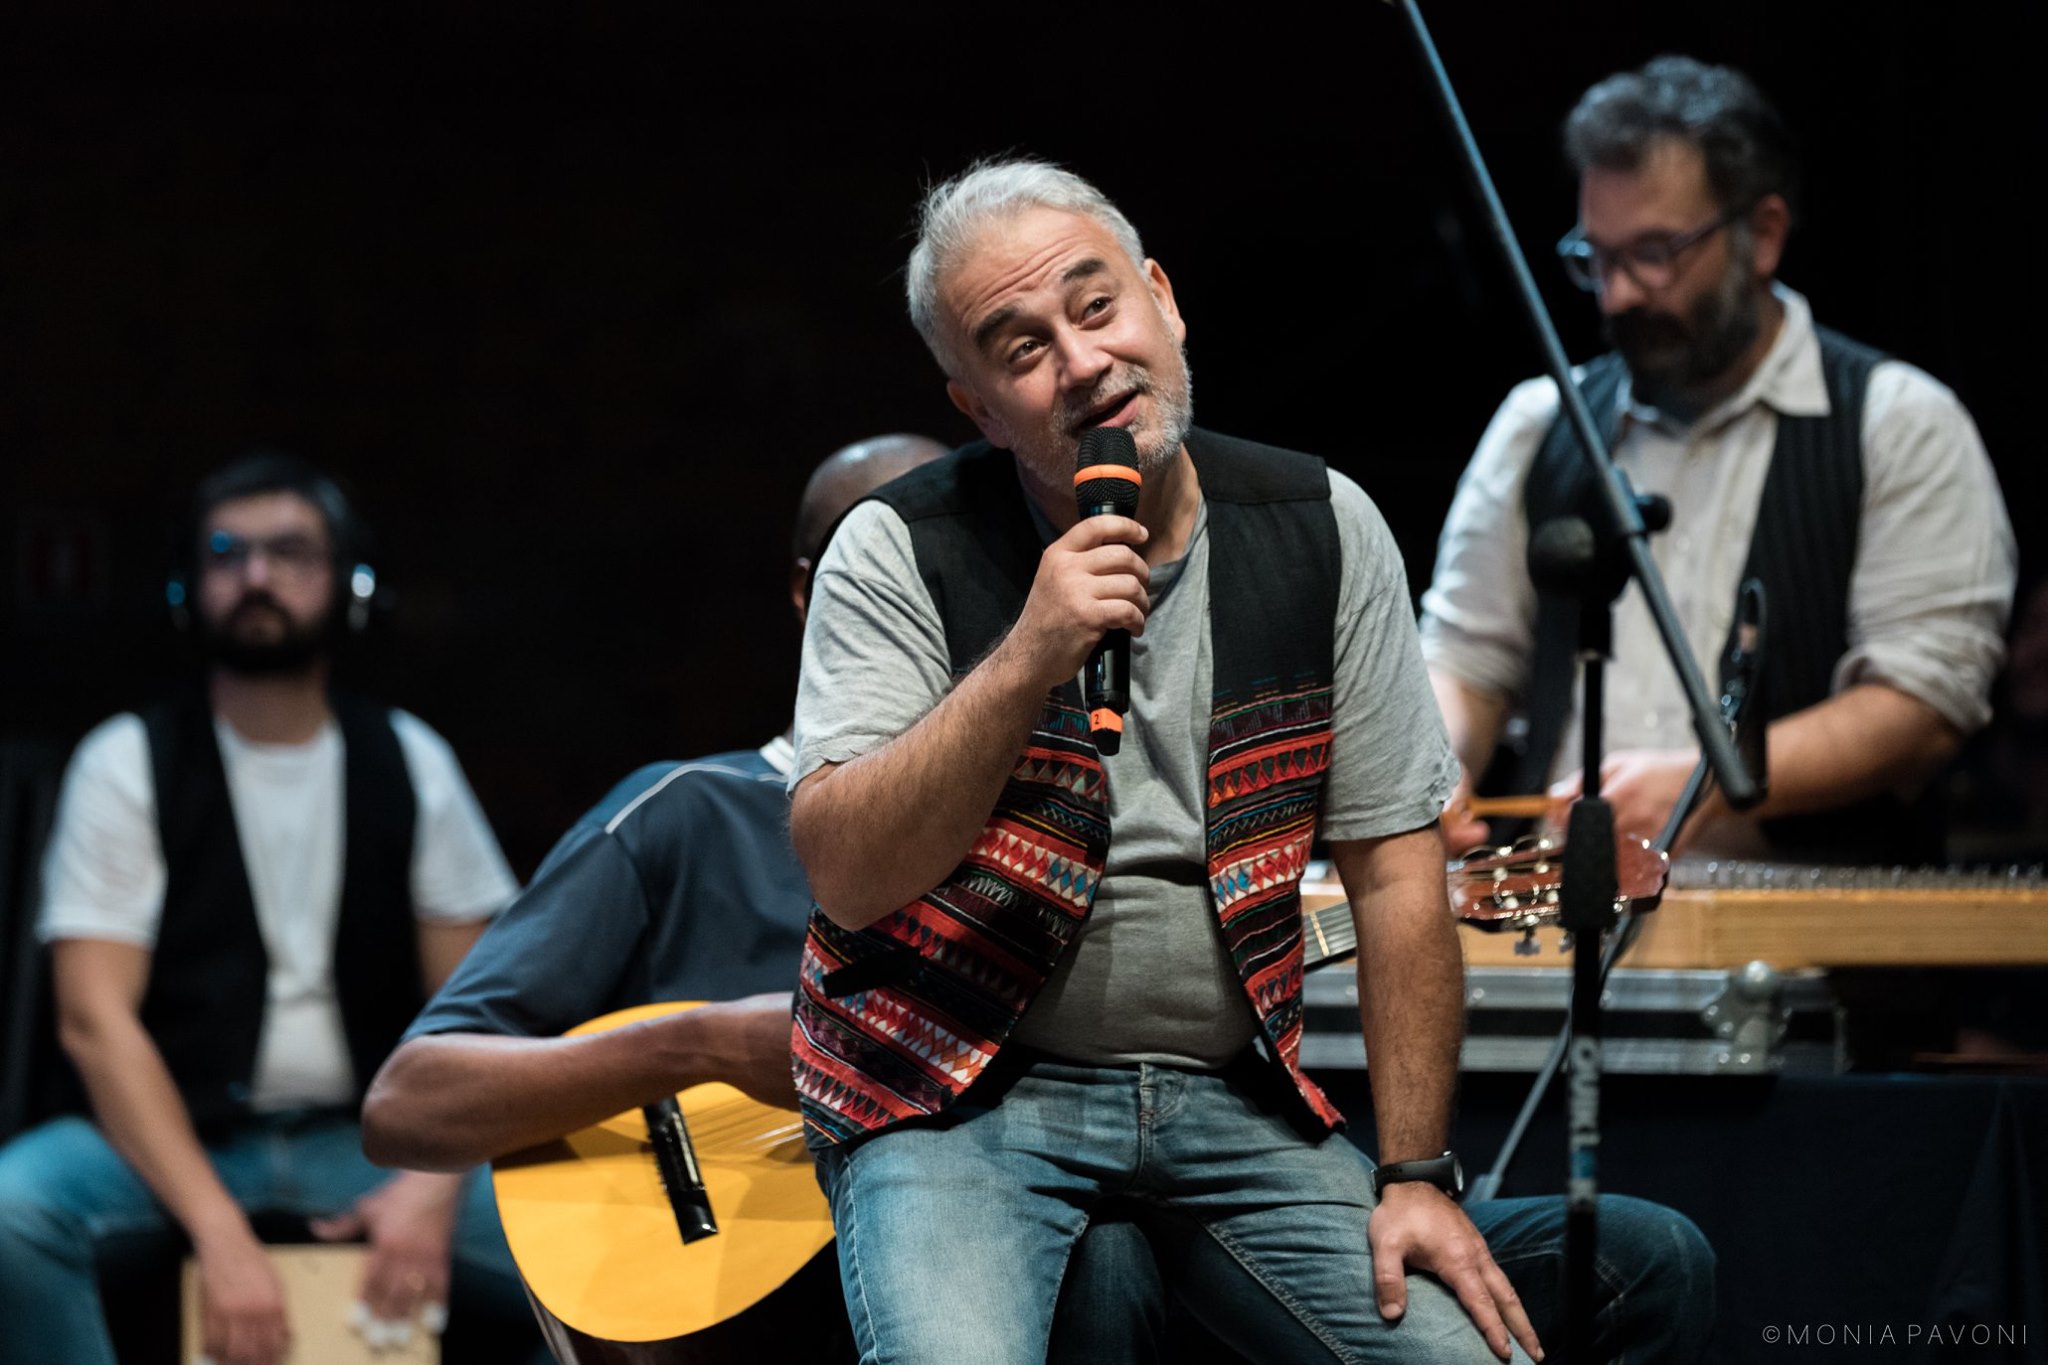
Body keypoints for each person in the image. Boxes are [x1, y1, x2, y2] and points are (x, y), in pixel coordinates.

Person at [788, 157, 1559, 1365]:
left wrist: (1414, 1173)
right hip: (956, 1098)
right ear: (978, 407)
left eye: (1096, 309)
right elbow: (844, 873)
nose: (1083, 362)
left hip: (1226, 1095)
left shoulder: (1320, 528)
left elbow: (1398, 876)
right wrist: (1022, 659)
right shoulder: (899, 548)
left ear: (1161, 298)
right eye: (1021, 346)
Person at [359, 434, 953, 1362]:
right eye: (870, 550)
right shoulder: (684, 813)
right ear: (807, 593)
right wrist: (699, 1045)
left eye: (950, 548)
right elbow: (408, 1104)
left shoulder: (1061, 835)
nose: (913, 580)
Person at [0, 454, 529, 1365]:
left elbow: (484, 1005)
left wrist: (430, 1184)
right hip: (176, 1138)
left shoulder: (409, 757)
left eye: (290, 552)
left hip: (371, 1132)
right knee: (12, 1213)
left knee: (592, 1241)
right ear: (188, 586)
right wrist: (218, 1229)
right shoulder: (127, 760)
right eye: (226, 553)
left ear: (351, 585)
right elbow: (93, 1020)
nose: (257, 576)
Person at [1422, 56, 2017, 862]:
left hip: (1811, 943)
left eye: (1657, 252)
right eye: (1595, 256)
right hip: (1561, 922)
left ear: (1763, 233)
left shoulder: (1900, 421)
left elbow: (1925, 702)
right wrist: (1435, 760)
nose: (1618, 294)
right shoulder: (1541, 419)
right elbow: (1463, 656)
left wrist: (1701, 781)